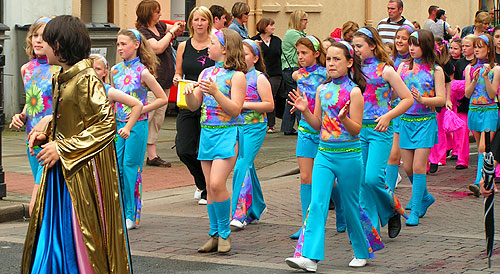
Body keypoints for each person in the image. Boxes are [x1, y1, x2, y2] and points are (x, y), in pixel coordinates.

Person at [21, 15, 132, 273]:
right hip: (64, 174)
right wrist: (47, 132)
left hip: (83, 174)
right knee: (59, 230)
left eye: (46, 42)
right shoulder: (63, 77)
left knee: (80, 231)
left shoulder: (86, 80)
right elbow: (72, 120)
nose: (42, 46)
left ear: (58, 47)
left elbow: (106, 125)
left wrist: (62, 148)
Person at [285, 41, 384, 271]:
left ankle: (362, 251)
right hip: (324, 154)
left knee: (351, 206)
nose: (331, 63)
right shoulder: (322, 89)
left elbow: (356, 129)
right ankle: (310, 257)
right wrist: (305, 110)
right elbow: (318, 124)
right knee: (317, 203)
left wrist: (344, 118)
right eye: (328, 59)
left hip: (349, 156)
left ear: (349, 63)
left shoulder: (355, 91)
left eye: (337, 59)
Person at [184, 29, 247, 254]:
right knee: (210, 188)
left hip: (227, 133)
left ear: (225, 48)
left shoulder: (237, 76)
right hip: (207, 133)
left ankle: (225, 234)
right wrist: (189, 93)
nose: (207, 46)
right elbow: (194, 106)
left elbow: (235, 109)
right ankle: (214, 234)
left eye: (212, 43)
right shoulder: (205, 73)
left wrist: (216, 92)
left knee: (218, 184)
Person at [352, 26, 413, 238]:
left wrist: (388, 116)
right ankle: (372, 232)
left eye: (359, 46)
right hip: (358, 131)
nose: (356, 49)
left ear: (372, 45)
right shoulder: (353, 70)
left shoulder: (386, 69)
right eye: (353, 46)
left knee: (372, 178)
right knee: (361, 182)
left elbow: (407, 98)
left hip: (380, 130)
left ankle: (392, 209)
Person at [112, 29, 168, 229]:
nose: (120, 48)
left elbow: (163, 98)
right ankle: (119, 210)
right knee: (116, 167)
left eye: (123, 44)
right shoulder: (115, 70)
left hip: (138, 125)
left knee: (130, 168)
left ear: (136, 45)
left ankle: (131, 214)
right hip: (118, 125)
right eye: (118, 44)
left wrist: (142, 109)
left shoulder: (143, 71)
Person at [9, 17, 58, 215]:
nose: (37, 40)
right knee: (43, 188)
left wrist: (50, 118)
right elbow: (32, 103)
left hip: (53, 139)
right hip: (31, 139)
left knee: (41, 190)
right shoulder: (26, 69)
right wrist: (20, 116)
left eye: (43, 36)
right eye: (35, 35)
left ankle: (38, 232)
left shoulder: (60, 69)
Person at [399, 30, 446, 226]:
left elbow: (441, 99)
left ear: (425, 46)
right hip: (405, 121)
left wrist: (422, 99)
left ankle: (416, 209)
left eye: (416, 44)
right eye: (410, 44)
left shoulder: (436, 70)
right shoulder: (402, 67)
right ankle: (425, 197)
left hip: (425, 121)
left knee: (419, 167)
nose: (411, 48)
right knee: (408, 167)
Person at [173, 6, 215, 205]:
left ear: (209, 22)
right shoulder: (184, 46)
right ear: (191, 23)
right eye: (196, 20)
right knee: (184, 148)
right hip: (188, 100)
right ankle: (202, 182)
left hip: (210, 101)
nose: (199, 24)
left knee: (205, 148)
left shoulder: (214, 45)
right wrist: (176, 78)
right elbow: (179, 72)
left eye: (203, 20)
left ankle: (208, 188)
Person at [230, 39, 274, 229]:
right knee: (247, 165)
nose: (241, 56)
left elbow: (269, 105)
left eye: (246, 53)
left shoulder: (259, 77)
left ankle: (238, 213)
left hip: (255, 126)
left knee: (242, 165)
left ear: (255, 58)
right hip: (235, 126)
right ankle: (257, 206)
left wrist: (243, 104)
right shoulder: (232, 76)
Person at [136, 0, 185, 167]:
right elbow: (157, 48)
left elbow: (171, 32)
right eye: (157, 12)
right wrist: (171, 32)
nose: (160, 15)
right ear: (148, 13)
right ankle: (135, 153)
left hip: (163, 79)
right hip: (150, 81)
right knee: (146, 117)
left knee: (157, 119)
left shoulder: (161, 27)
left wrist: (178, 29)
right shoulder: (142, 32)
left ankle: (152, 155)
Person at [288, 36, 327, 240]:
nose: (300, 57)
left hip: (323, 131)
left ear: (317, 54)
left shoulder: (325, 74)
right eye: (298, 53)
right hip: (304, 129)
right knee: (305, 177)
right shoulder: (298, 75)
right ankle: (306, 223)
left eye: (305, 53)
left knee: (330, 181)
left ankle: (342, 215)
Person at [464, 34, 500, 197]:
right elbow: (467, 93)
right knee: (482, 150)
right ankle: (488, 180)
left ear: (488, 49)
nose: (477, 50)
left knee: (483, 147)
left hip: (489, 111)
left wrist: (485, 77)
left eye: (481, 47)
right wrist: (474, 79)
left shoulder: (496, 69)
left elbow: (492, 94)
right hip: (474, 110)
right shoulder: (469, 68)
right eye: (475, 46)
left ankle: (479, 181)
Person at [386, 25, 413, 192]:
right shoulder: (390, 62)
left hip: (413, 112)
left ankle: (421, 194)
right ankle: (388, 194)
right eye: (398, 38)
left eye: (404, 38)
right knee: (393, 155)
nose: (400, 41)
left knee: (413, 165)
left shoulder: (416, 61)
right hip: (394, 111)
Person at [90, 54, 143, 140]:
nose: (94, 72)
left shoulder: (108, 91)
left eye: (98, 69)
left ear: (105, 73)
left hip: (102, 139)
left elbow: (138, 105)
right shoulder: (80, 89)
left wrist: (127, 128)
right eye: (91, 68)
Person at [428, 37, 455, 174]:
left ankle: (438, 157)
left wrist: (447, 99)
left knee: (438, 130)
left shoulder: (437, 69)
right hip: (421, 107)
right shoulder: (412, 67)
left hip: (436, 104)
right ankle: (429, 160)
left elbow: (448, 82)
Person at [252, 18, 283, 133]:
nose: (273, 27)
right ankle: (260, 119)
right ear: (264, 27)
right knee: (260, 96)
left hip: (275, 73)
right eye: (271, 25)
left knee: (271, 95)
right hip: (261, 73)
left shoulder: (277, 40)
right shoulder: (254, 40)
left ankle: (271, 124)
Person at [281, 10, 308, 135]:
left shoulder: (298, 33)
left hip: (289, 69)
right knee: (298, 97)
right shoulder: (294, 34)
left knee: (291, 97)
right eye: (304, 19)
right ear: (298, 21)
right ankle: (301, 123)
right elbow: (306, 46)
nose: (306, 22)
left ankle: (287, 127)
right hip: (292, 69)